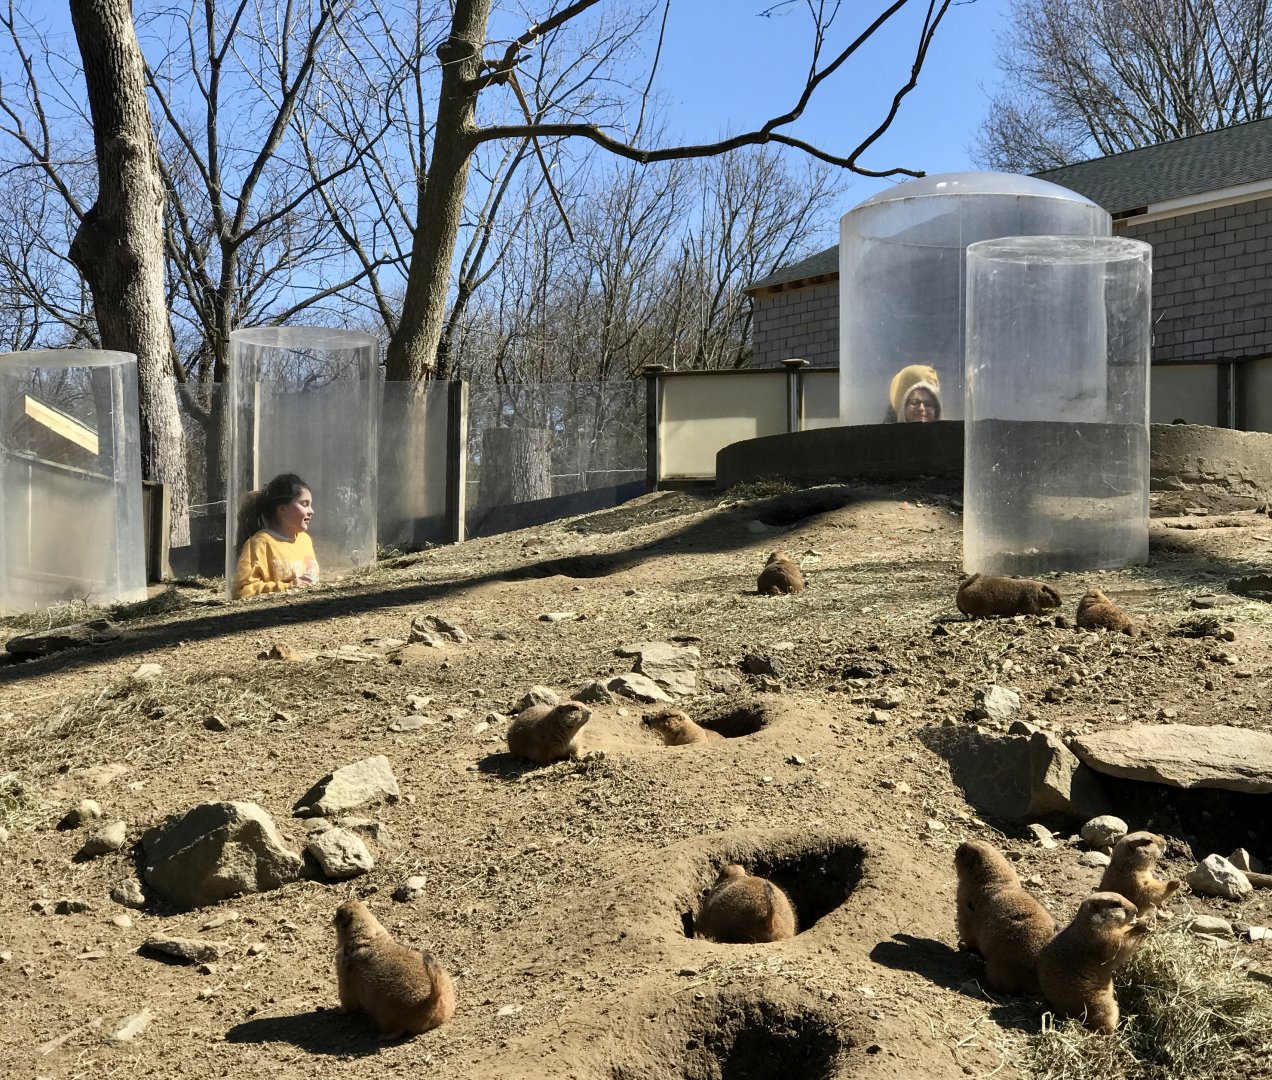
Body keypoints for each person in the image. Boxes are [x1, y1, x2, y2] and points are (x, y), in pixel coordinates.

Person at [230, 472, 320, 599]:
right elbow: (241, 590)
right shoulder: (259, 544)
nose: (311, 511)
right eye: (304, 504)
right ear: (282, 509)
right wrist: (288, 587)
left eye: (310, 505)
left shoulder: (305, 540)